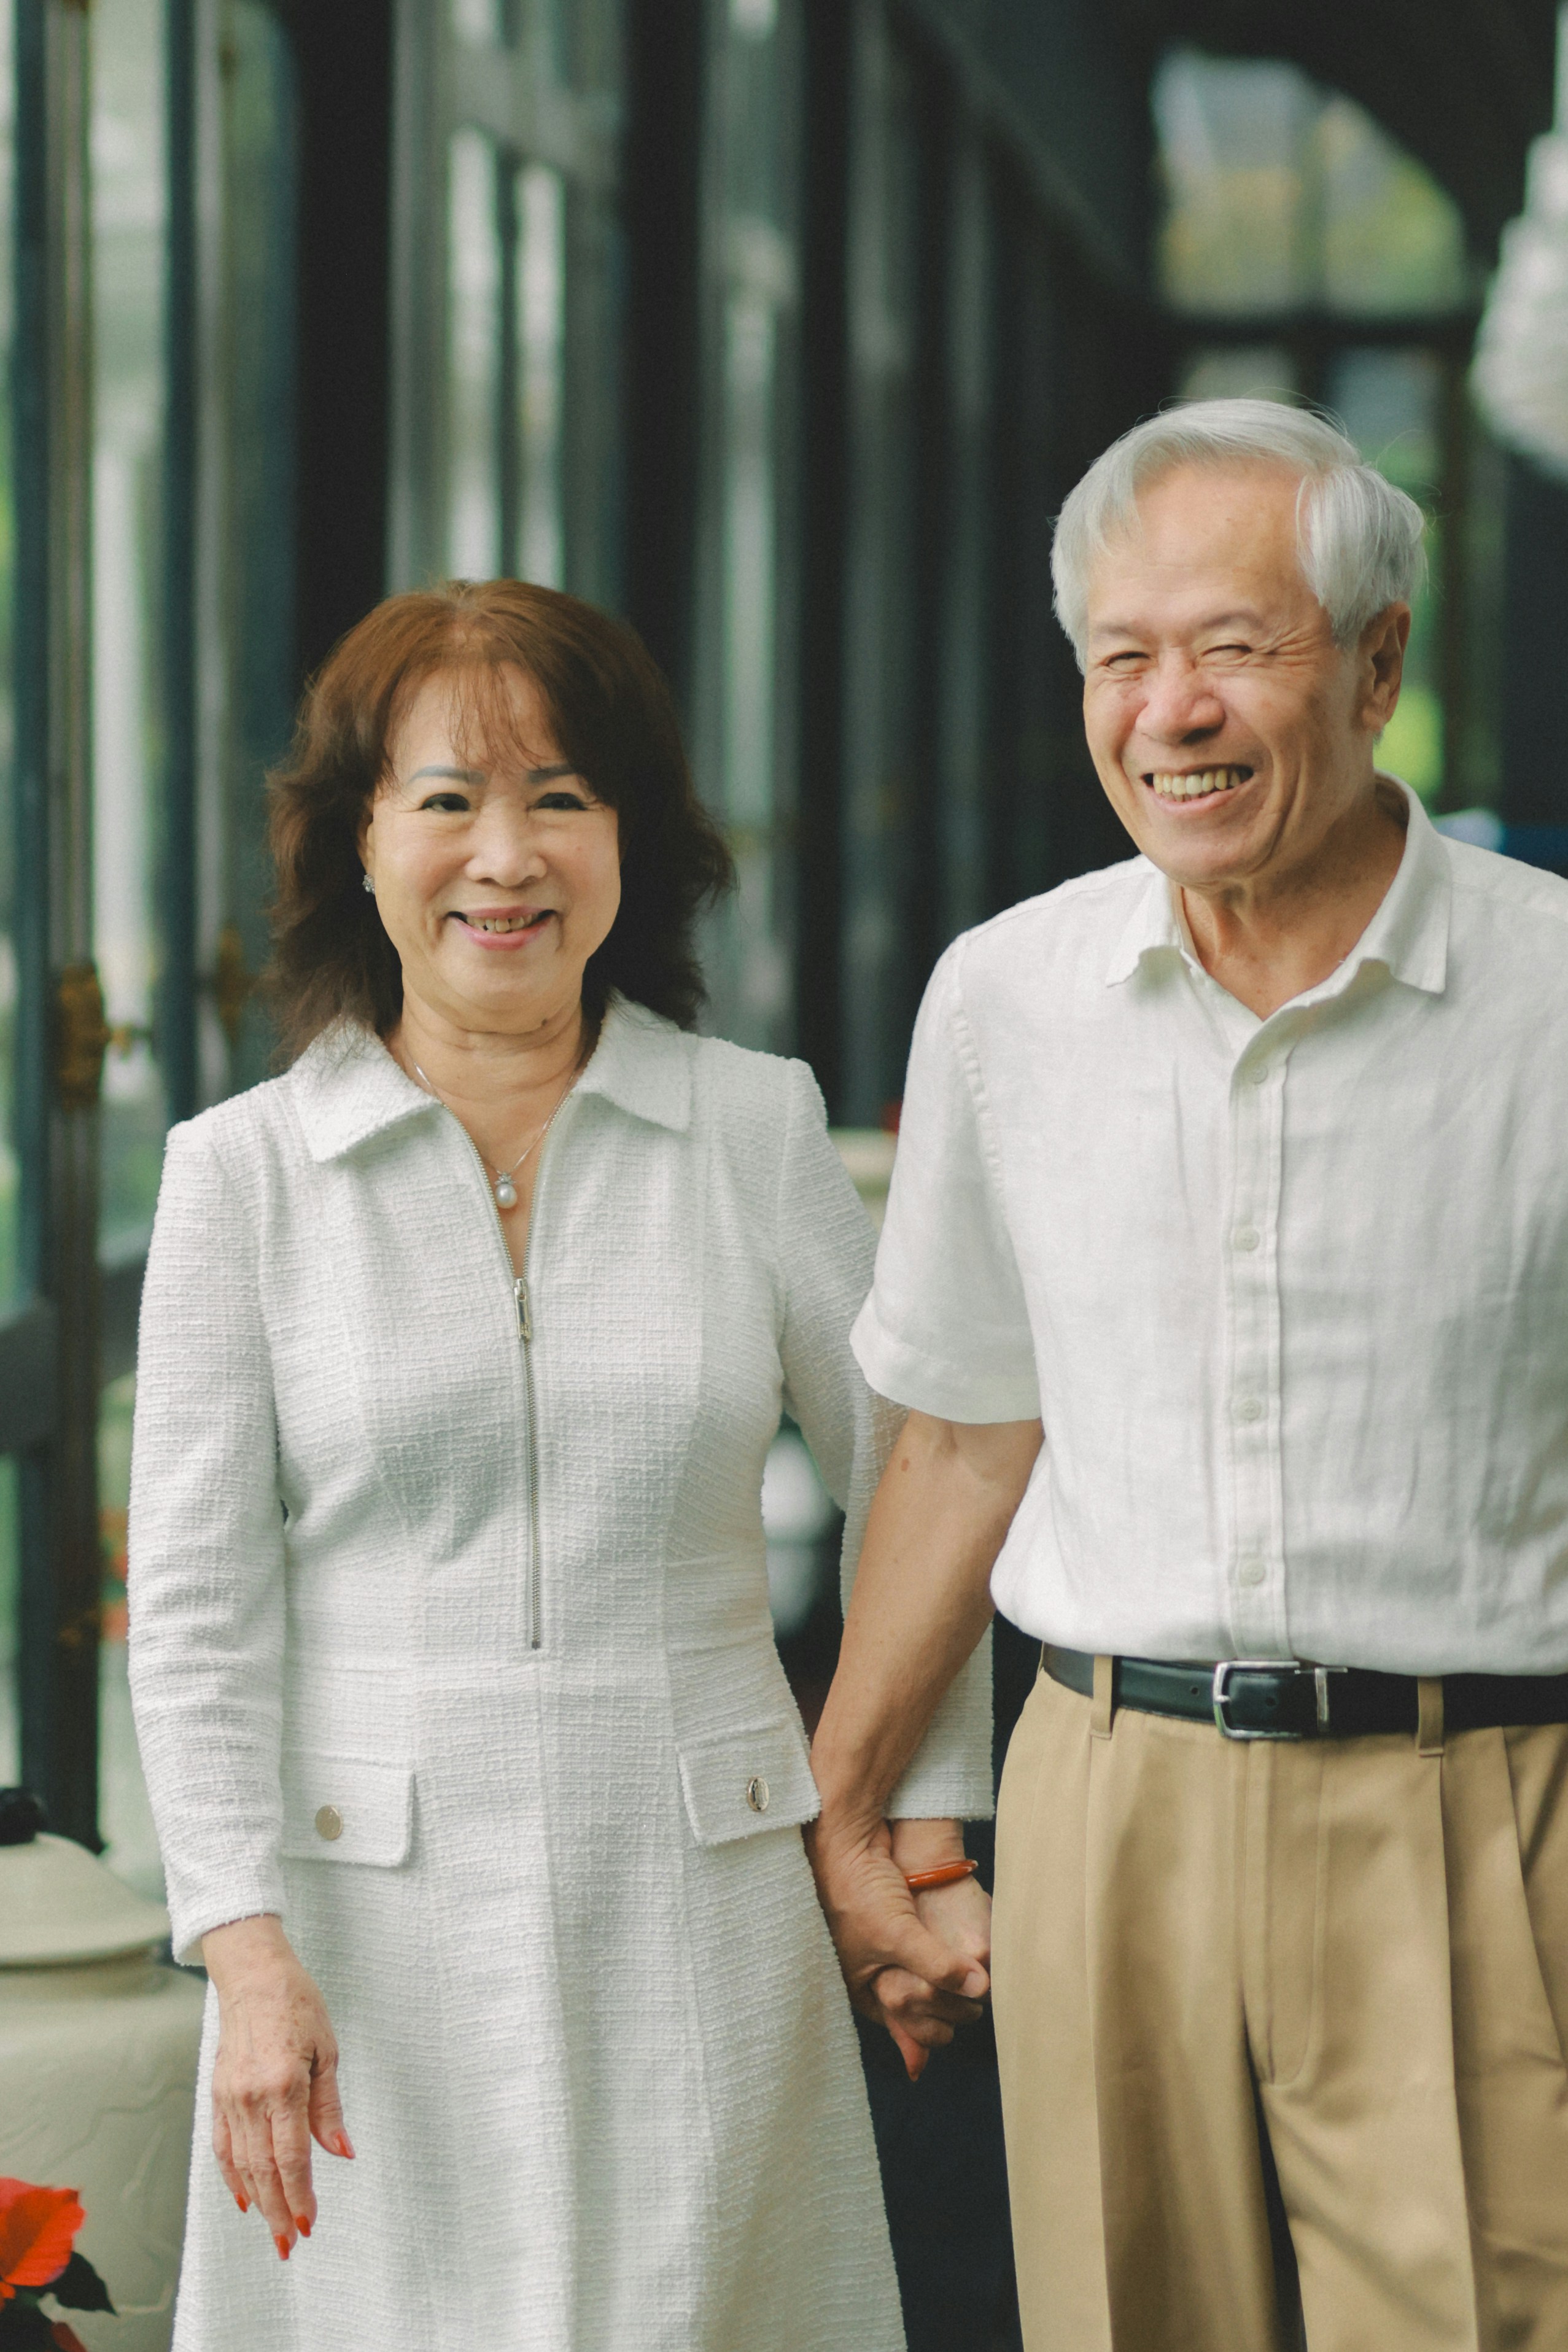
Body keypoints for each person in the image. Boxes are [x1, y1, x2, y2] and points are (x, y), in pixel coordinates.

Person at [127, 580, 993, 2352]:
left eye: (562, 799)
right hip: (365, 1948)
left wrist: (913, 1831)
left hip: (702, 1906)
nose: (505, 858)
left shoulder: (749, 1125)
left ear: (630, 842)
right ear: (359, 839)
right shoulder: (244, 1174)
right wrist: (242, 1946)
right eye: (447, 799)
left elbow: (915, 1483)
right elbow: (200, 1607)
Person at [804, 399, 1568, 2351]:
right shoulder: (1005, 998)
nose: (1170, 713)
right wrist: (853, 1807)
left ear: (1378, 665)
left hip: (1477, 1803)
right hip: (1107, 1798)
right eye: (1120, 658)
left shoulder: (1552, 994)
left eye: (1232, 647)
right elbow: (963, 1433)